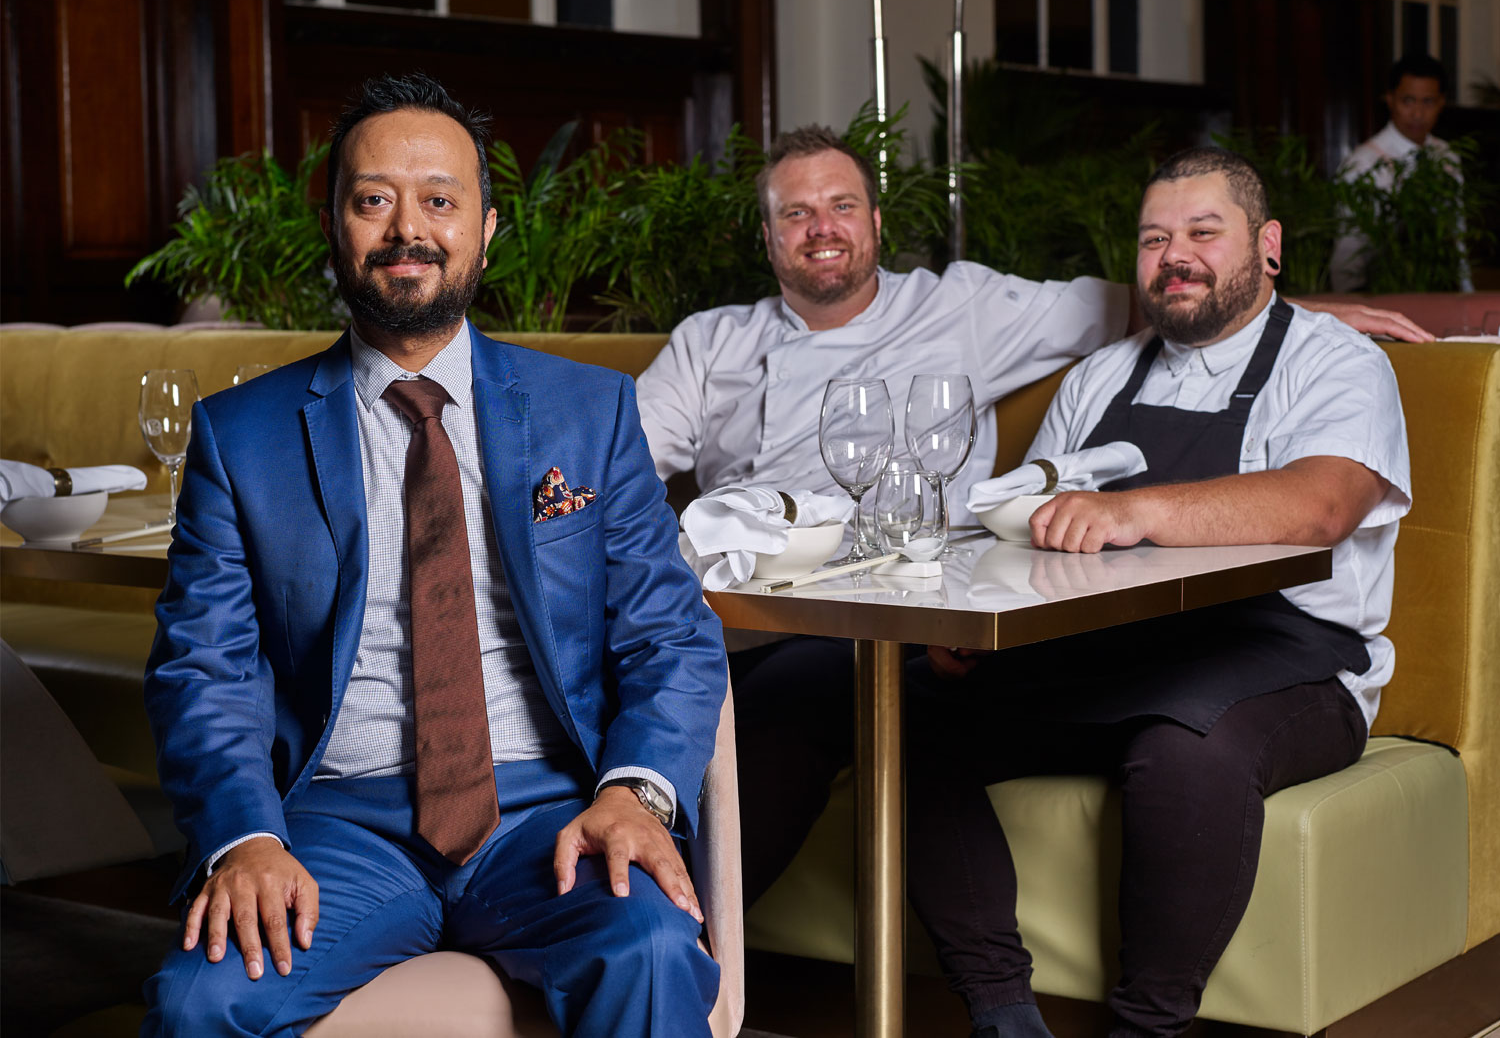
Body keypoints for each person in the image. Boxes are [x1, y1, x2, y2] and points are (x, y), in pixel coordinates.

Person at [634, 125, 1428, 906]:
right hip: (721, 616)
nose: (822, 229)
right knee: (658, 698)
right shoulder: (709, 342)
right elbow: (621, 464)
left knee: (800, 711)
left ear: (877, 223)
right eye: (796, 215)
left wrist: (1280, 305)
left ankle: (678, 961)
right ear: (767, 237)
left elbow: (1171, 294)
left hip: (870, 619)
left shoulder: (967, 308)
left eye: (842, 205)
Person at [140, 72, 727, 1038]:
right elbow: (202, 667)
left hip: (549, 813)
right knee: (202, 1001)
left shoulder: (591, 412)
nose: (407, 228)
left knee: (650, 945)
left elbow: (670, 636)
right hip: (337, 824)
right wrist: (245, 835)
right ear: (334, 225)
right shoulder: (240, 436)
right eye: (374, 199)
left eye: (440, 200)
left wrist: (636, 791)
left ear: (487, 227)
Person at [905, 147, 1410, 1038]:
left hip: (1295, 662)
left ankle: (1149, 1028)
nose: (1175, 255)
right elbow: (1030, 522)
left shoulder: (1338, 361)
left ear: (1269, 246)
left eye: (1204, 233)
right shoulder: (1100, 377)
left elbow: (1321, 503)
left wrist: (1132, 509)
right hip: (1106, 652)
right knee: (897, 714)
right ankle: (1000, 1008)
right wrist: (975, 622)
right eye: (1153, 238)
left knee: (1185, 744)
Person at [1329, 53, 1470, 291]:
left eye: (1428, 102)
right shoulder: (1364, 162)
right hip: (1382, 292)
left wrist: (1466, 292)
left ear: (1441, 103)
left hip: (1440, 291)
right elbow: (1348, 250)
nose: (1417, 114)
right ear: (1390, 99)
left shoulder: (1447, 157)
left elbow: (1457, 235)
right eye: (1408, 101)